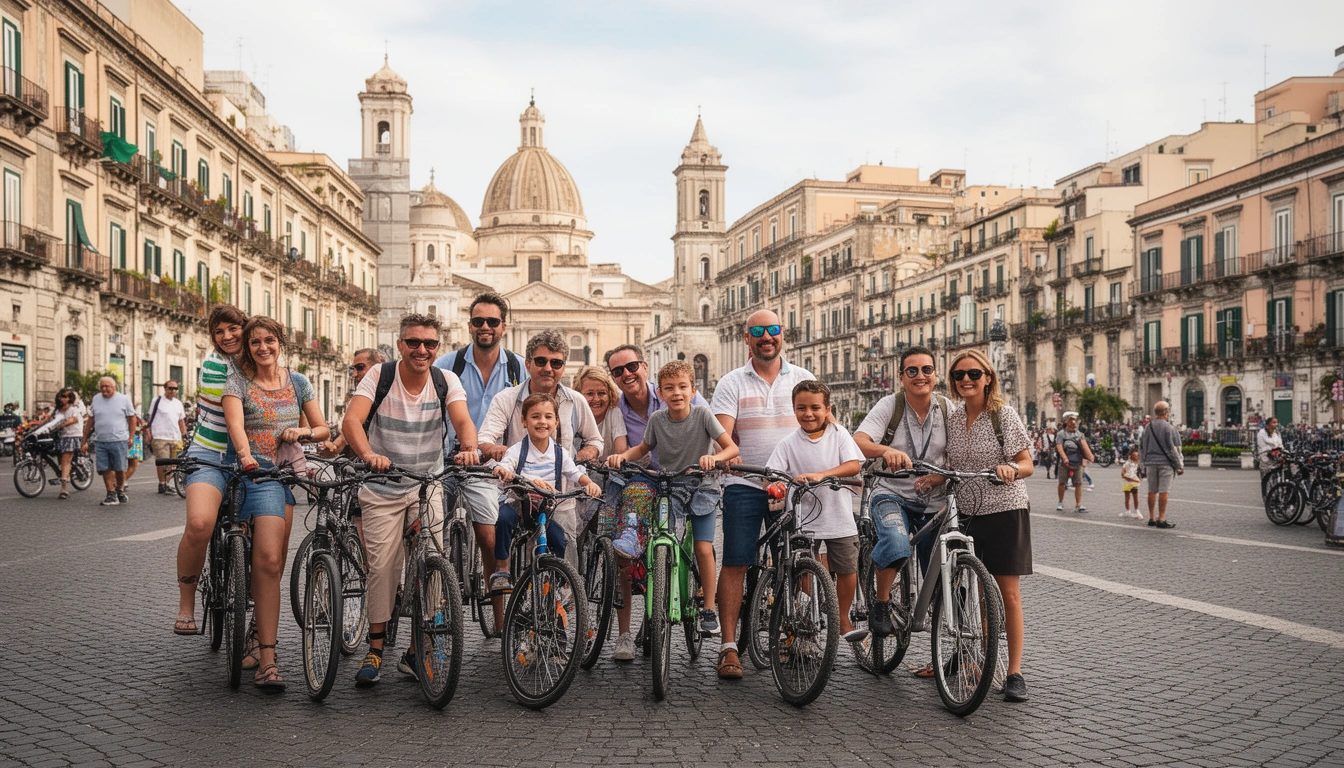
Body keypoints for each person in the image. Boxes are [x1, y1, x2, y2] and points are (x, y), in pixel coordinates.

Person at [342, 314, 479, 688]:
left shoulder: (445, 380)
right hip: (382, 486)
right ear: (400, 344)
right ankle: (375, 648)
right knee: (383, 567)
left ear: (438, 347)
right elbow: (352, 422)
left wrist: (468, 447)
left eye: (430, 344)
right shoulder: (379, 376)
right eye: (414, 343)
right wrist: (369, 454)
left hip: (426, 483)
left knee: (434, 557)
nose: (422, 350)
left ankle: (419, 649)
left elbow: (463, 421)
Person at [223, 316, 330, 691]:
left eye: (269, 340)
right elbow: (236, 424)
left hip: (285, 475)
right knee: (268, 561)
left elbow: (322, 429)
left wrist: (302, 431)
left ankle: (256, 629)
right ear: (248, 347)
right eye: (255, 343)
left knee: (274, 564)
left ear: (280, 341)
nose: (263, 348)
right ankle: (268, 660)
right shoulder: (237, 381)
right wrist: (245, 454)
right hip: (255, 471)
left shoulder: (298, 381)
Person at [606, 360, 738, 661]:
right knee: (661, 537)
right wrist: (622, 457)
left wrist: (714, 460)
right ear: (660, 393)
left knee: (704, 548)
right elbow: (643, 448)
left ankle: (708, 607)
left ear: (693, 391)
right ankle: (662, 585)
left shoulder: (703, 415)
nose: (676, 393)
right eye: (669, 388)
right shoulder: (656, 419)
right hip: (670, 488)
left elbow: (731, 448)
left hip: (701, 487)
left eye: (682, 387)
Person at [709, 309, 815, 680]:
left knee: (801, 556)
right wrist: (726, 457)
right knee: (737, 560)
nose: (766, 337)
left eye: (773, 330)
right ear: (747, 337)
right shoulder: (731, 382)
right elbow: (723, 433)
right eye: (758, 331)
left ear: (782, 334)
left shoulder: (803, 377)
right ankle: (728, 647)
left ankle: (800, 632)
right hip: (744, 483)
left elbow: (822, 426)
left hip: (791, 485)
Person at [945, 349, 1034, 703]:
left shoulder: (1003, 415)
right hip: (967, 512)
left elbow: (1027, 462)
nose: (966, 380)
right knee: (981, 593)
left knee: (1007, 593)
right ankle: (982, 662)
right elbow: (950, 462)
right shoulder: (953, 418)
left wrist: (1012, 469)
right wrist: (934, 481)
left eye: (973, 374)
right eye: (958, 375)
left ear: (988, 378)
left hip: (1005, 509)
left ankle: (1014, 672)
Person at [852, 345, 950, 644]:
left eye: (926, 370)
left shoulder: (948, 409)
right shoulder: (889, 406)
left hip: (936, 501)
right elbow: (859, 441)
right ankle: (881, 605)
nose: (920, 376)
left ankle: (943, 642)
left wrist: (941, 476)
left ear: (935, 374)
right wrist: (886, 450)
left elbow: (961, 450)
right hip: (891, 492)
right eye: (912, 371)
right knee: (895, 541)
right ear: (901, 377)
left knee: (941, 571)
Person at [479, 330, 601, 571]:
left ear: (563, 367)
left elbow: (595, 441)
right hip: (518, 497)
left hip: (560, 502)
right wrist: (495, 450)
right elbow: (484, 438)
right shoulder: (507, 399)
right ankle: (505, 576)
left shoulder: (575, 401)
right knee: (518, 566)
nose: (548, 368)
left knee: (563, 568)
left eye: (556, 363)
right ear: (528, 363)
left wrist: (582, 457)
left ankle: (557, 606)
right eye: (541, 361)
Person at [434, 292, 527, 590]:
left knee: (490, 537)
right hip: (447, 459)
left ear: (503, 326)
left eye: (492, 321)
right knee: (430, 532)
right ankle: (432, 603)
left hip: (495, 466)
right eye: (478, 321)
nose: (485, 326)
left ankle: (499, 619)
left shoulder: (518, 368)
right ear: (470, 326)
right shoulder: (448, 364)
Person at [766, 380, 866, 643]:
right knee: (802, 570)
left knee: (847, 569)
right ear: (793, 409)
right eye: (801, 408)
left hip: (838, 516)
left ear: (827, 409)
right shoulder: (788, 443)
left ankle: (842, 618)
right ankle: (808, 617)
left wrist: (822, 475)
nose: (808, 414)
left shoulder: (839, 434)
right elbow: (773, 473)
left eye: (815, 408)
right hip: (802, 518)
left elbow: (854, 465)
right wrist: (776, 483)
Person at [173, 306, 247, 635]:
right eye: (219, 332)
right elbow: (238, 413)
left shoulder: (263, 358)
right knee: (200, 524)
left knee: (262, 533)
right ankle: (186, 603)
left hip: (252, 456)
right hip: (210, 452)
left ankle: (255, 617)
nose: (227, 336)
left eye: (233, 329)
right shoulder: (215, 364)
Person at [491, 392, 603, 592]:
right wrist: (503, 470)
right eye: (535, 417)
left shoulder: (560, 452)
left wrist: (588, 484)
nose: (542, 422)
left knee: (558, 539)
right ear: (524, 422)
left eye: (548, 417)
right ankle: (502, 567)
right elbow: (506, 465)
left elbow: (575, 472)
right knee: (503, 519)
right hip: (519, 504)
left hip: (544, 509)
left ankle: (557, 584)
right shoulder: (517, 450)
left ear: (557, 422)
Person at [605, 344, 708, 465]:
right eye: (618, 371)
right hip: (649, 479)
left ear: (645, 368)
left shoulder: (683, 396)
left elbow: (715, 434)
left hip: (692, 475)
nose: (626, 374)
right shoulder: (615, 412)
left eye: (632, 366)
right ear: (613, 378)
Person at [319, 348, 387, 458]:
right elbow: (344, 438)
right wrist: (330, 447)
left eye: (360, 368)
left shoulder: (391, 396)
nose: (354, 374)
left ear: (378, 368)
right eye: (352, 369)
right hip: (364, 468)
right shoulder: (357, 401)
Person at [82, 377, 137, 507]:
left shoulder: (123, 399)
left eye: (107, 386)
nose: (104, 389)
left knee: (120, 468)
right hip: (101, 440)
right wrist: (84, 439)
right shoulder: (96, 399)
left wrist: (131, 436)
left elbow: (132, 418)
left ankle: (120, 489)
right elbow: (91, 419)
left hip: (119, 439)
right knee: (105, 468)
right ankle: (110, 494)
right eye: (102, 386)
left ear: (114, 387)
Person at [29, 389, 84, 500]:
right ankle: (64, 474)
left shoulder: (74, 409)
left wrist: (59, 425)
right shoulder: (57, 411)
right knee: (60, 459)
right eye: (60, 396)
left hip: (71, 436)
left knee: (65, 460)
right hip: (60, 437)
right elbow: (48, 420)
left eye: (64, 396)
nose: (62, 399)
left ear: (70, 399)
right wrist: (35, 428)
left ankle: (64, 489)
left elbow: (73, 419)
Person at [1139, 401, 1183, 529]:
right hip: (1166, 464)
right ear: (1166, 412)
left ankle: (1152, 518)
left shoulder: (1147, 428)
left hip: (1150, 463)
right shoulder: (1169, 428)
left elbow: (1141, 447)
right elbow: (1173, 449)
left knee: (1151, 490)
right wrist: (1179, 466)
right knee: (1164, 491)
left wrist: (1143, 464)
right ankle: (1161, 519)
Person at [575, 366, 628, 462]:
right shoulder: (575, 416)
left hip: (609, 470)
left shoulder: (614, 412)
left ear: (610, 393)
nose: (596, 399)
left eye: (601, 393)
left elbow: (621, 449)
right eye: (590, 393)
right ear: (579, 395)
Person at [145, 380, 188, 494]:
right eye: (170, 388)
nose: (172, 391)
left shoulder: (178, 403)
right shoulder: (157, 401)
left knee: (174, 463)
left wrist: (185, 435)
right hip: (160, 436)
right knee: (162, 461)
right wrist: (149, 433)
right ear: (165, 389)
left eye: (175, 389)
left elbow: (181, 421)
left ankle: (168, 482)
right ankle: (162, 484)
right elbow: (150, 418)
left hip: (175, 436)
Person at [1054, 412, 1093, 513]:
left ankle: (1078, 504)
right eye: (1071, 419)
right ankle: (1060, 502)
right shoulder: (1061, 434)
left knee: (1078, 484)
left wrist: (1090, 457)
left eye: (1075, 420)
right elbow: (1059, 447)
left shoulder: (1079, 434)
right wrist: (1065, 458)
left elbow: (1085, 447)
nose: (1073, 422)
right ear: (1066, 421)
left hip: (1077, 462)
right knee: (1062, 483)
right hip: (1065, 463)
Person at [1255, 416, 1284, 486]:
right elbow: (1264, 446)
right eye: (1274, 422)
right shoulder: (1261, 433)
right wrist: (1274, 447)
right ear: (1268, 424)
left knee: (1276, 479)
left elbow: (1280, 445)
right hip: (1265, 460)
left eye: (1276, 422)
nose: (1276, 424)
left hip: (1275, 460)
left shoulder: (1276, 434)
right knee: (1266, 479)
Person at [1120, 448, 1142, 518]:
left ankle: (1132, 511)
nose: (1136, 457)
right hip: (1131, 481)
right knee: (1131, 497)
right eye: (1134, 456)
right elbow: (1122, 473)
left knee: (1131, 497)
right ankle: (1133, 511)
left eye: (1137, 456)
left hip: (1131, 481)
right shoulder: (1130, 463)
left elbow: (1122, 473)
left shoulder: (1136, 463)